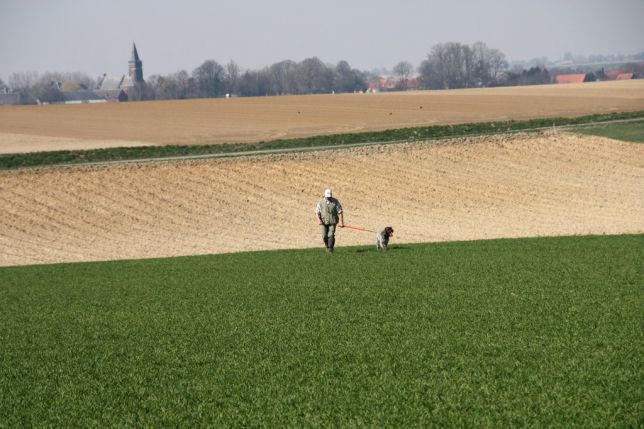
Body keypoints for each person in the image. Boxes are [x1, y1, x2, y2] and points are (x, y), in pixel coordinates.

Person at [315, 188, 344, 253]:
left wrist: (341, 222)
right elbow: (317, 212)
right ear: (324, 195)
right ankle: (327, 246)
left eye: (329, 196)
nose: (328, 198)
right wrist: (318, 220)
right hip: (323, 222)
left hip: (333, 221)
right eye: (327, 196)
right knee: (324, 235)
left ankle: (330, 249)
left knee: (330, 235)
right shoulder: (320, 203)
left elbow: (340, 212)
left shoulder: (335, 202)